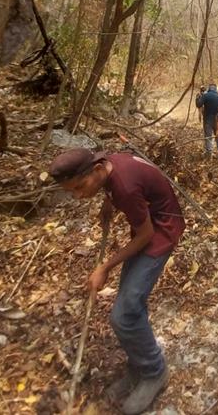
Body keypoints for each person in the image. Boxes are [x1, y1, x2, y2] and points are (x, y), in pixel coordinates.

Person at [48, 148, 182, 415]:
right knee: (129, 307)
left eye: (80, 187)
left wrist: (105, 267)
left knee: (125, 314)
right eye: (72, 191)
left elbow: (145, 235)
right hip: (148, 226)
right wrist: (107, 204)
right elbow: (116, 187)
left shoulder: (125, 186)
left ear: (97, 171)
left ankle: (154, 372)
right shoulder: (107, 164)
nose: (79, 195)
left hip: (161, 232)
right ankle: (139, 366)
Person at [195, 84, 218, 159]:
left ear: (209, 88)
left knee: (208, 137)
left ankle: (209, 155)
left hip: (208, 119)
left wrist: (198, 97)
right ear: (215, 89)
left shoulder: (206, 96)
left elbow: (198, 105)